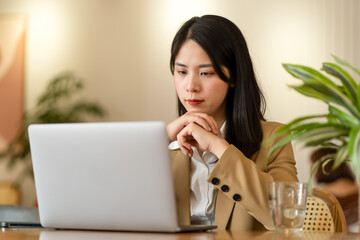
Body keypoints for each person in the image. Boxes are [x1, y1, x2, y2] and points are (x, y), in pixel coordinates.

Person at [166, 15, 298, 231]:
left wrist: (218, 147)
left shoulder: (274, 138)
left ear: (234, 76)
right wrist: (160, 138)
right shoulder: (165, 145)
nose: (190, 86)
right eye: (181, 72)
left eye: (205, 73)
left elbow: (286, 216)